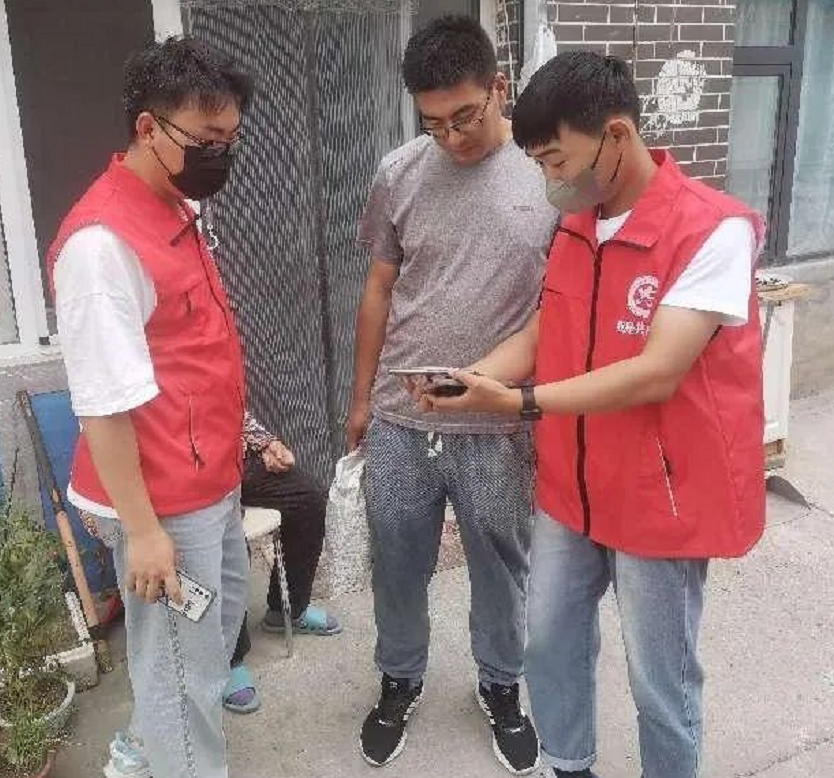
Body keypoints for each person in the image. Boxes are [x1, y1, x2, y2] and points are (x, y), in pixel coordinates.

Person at [418, 52, 766, 778]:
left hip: (658, 499)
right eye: (540, 164)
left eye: (557, 160)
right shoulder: (578, 224)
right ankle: (567, 764)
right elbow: (545, 331)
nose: (551, 179)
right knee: (548, 642)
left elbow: (658, 371)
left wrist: (520, 402)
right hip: (571, 490)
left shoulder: (711, 231)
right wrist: (475, 377)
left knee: (659, 678)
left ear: (616, 135)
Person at [348, 15, 557, 774]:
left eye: (463, 116)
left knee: (501, 566)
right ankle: (399, 678)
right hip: (402, 418)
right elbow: (379, 286)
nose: (450, 137)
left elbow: (557, 308)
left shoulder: (547, 176)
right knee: (397, 561)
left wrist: (522, 398)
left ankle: (500, 684)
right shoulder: (398, 172)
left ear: (499, 88)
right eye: (432, 123)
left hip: (496, 422)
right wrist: (361, 399)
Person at [49, 37, 252, 778]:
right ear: (148, 128)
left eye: (230, 140)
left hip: (207, 477)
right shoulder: (101, 246)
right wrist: (142, 532)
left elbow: (192, 352)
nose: (220, 156)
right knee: (180, 669)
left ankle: (145, 744)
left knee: (210, 633)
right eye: (207, 140)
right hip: (159, 498)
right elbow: (104, 406)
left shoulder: (174, 205)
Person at [222, 411, 341, 714]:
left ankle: (287, 610)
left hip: (235, 458)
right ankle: (227, 657)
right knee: (228, 537)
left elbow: (232, 408)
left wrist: (266, 443)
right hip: (191, 470)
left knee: (308, 500)